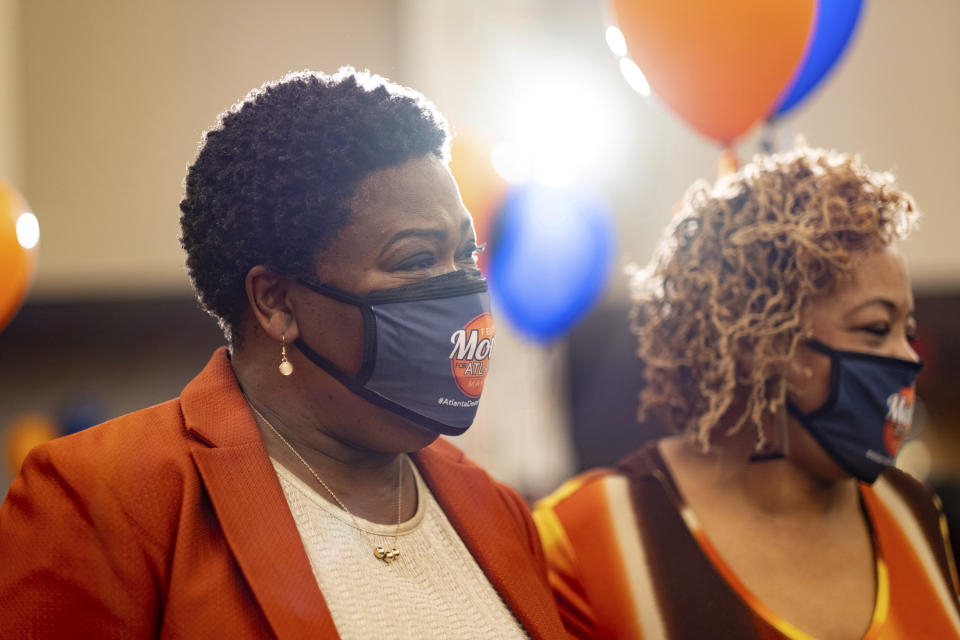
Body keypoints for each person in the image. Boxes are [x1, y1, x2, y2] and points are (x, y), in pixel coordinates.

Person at [0, 69, 565, 639]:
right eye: (416, 260)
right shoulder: (104, 497)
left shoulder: (496, 511)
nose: (460, 286)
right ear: (276, 302)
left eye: (466, 254)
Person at [534, 145, 960, 639]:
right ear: (761, 342)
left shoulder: (909, 509)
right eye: (875, 328)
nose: (908, 358)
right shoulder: (594, 534)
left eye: (905, 330)